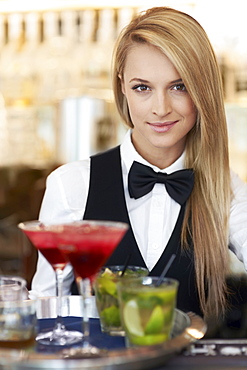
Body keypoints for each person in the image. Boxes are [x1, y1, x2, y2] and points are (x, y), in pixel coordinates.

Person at [30, 6, 247, 319]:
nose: (160, 108)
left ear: (203, 90)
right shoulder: (71, 184)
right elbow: (45, 310)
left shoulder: (225, 189)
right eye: (142, 88)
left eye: (179, 86)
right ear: (122, 87)